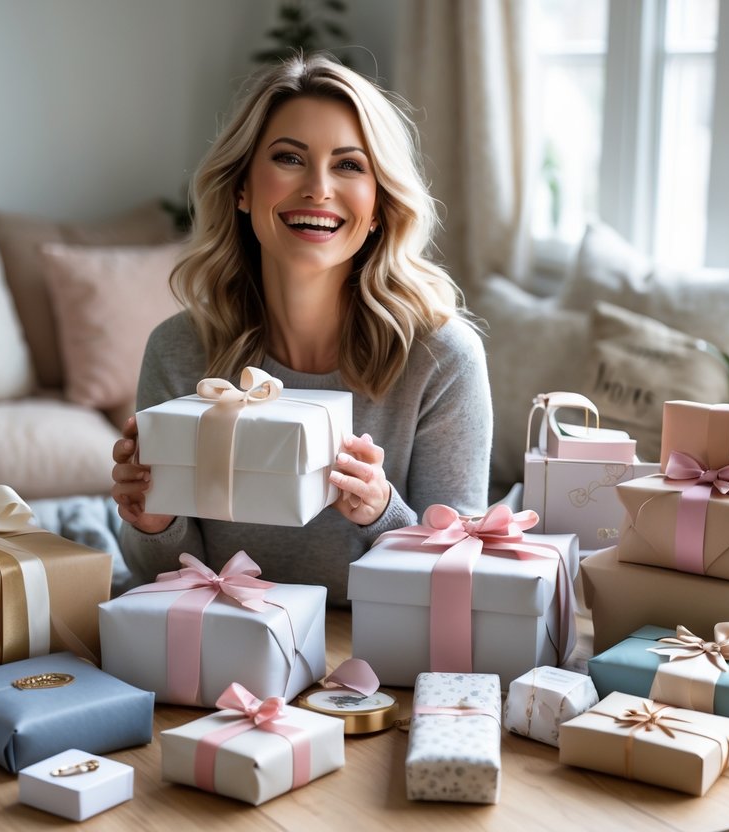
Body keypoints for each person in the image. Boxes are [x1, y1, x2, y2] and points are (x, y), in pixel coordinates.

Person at [111, 53, 493, 604]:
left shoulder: (443, 358)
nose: (318, 188)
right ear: (242, 189)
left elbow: (462, 578)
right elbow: (159, 579)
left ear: (381, 204)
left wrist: (383, 512)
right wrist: (151, 520)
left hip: (372, 653)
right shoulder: (178, 351)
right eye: (289, 158)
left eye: (349, 165)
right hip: (218, 642)